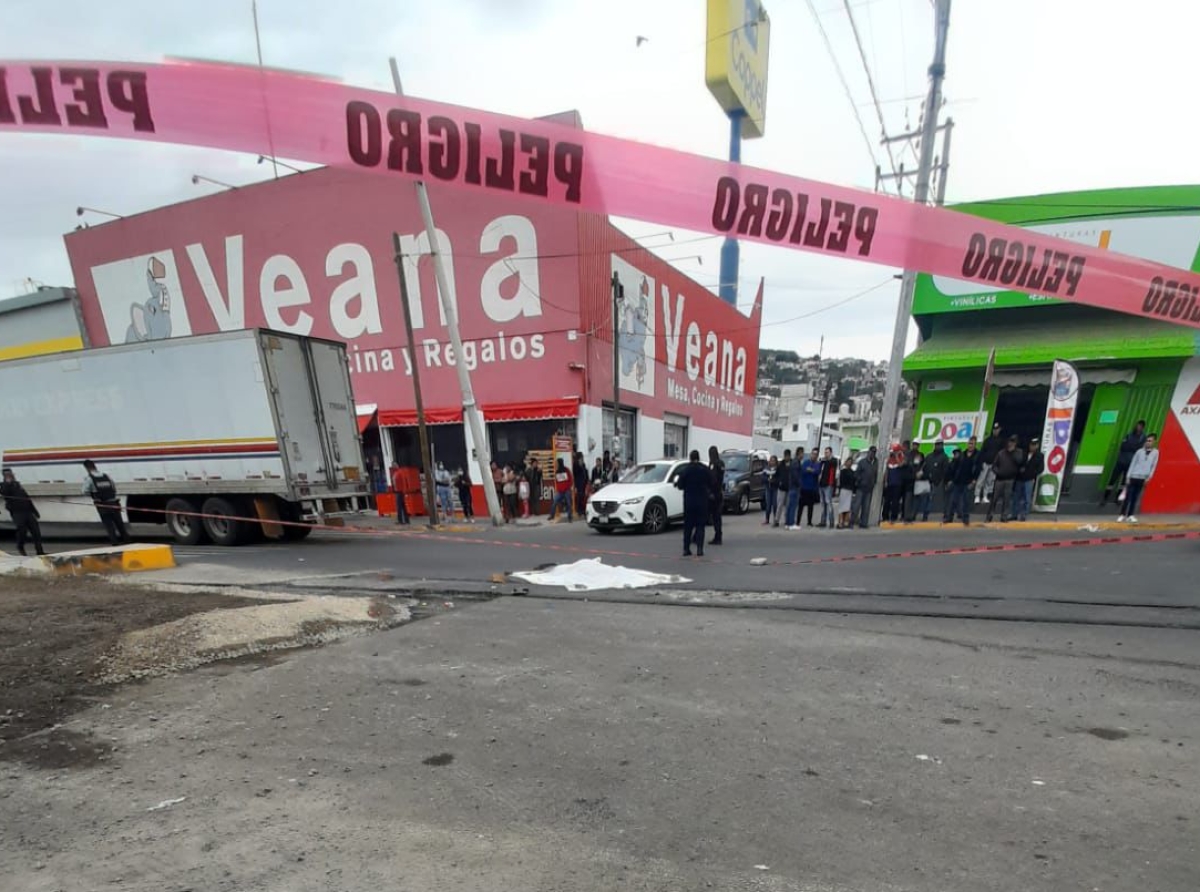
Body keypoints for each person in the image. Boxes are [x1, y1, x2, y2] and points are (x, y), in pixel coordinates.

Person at [82, 459, 130, 545]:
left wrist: (93, 495)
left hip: (102, 505)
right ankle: (127, 540)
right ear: (95, 466)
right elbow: (113, 488)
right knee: (119, 523)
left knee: (109, 525)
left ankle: (115, 542)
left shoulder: (89, 478)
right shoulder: (106, 476)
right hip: (113, 503)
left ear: (86, 468)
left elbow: (84, 491)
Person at [1, 467, 46, 556]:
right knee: (22, 530)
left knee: (36, 532)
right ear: (4, 476)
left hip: (28, 511)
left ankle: (40, 552)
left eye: (10, 474)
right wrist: (8, 483)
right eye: (7, 474)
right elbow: (5, 493)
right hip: (17, 513)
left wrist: (34, 511)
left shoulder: (18, 484)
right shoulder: (3, 485)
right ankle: (20, 546)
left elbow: (26, 498)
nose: (9, 475)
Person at [675, 449, 711, 557]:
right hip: (702, 501)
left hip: (689, 501)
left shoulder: (686, 470)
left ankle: (686, 549)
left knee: (688, 526)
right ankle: (699, 549)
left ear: (690, 458)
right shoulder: (704, 469)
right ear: (698, 457)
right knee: (700, 526)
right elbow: (712, 481)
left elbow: (680, 485)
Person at [1102, 420, 1147, 507]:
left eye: (1140, 426)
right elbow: (1123, 446)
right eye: (1137, 425)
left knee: (1124, 482)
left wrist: (1131, 447)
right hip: (1121, 461)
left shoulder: (1143, 438)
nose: (1138, 427)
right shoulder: (1129, 435)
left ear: (1142, 428)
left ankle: (1118, 499)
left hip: (1131, 464)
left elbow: (1139, 450)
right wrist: (1133, 447)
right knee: (1112, 480)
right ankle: (1105, 498)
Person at [1118, 433, 1159, 523]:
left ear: (1154, 442)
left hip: (1143, 478)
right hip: (1134, 476)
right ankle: (1122, 515)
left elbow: (1153, 466)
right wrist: (1128, 476)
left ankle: (1130, 515)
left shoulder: (1156, 453)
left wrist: (1148, 478)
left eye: (1150, 441)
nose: (1148, 442)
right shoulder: (1139, 451)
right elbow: (1133, 464)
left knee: (1135, 497)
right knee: (1128, 497)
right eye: (1147, 440)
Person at [944, 437, 981, 526]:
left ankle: (965, 519)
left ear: (975, 444)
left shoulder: (977, 455)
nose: (970, 445)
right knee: (953, 501)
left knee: (966, 502)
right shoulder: (962, 454)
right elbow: (955, 467)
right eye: (969, 443)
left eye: (972, 444)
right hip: (958, 481)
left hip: (968, 482)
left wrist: (974, 481)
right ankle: (949, 518)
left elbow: (978, 469)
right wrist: (951, 480)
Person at [987, 436, 1023, 523]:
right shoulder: (1001, 453)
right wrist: (998, 472)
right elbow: (994, 465)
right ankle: (989, 516)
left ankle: (1004, 516)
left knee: (1007, 499)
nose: (1011, 443)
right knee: (994, 499)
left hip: (1010, 479)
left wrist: (1013, 452)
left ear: (1015, 443)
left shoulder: (1018, 452)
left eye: (1013, 442)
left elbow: (1020, 462)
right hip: (999, 479)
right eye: (1010, 442)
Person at [1014, 438, 1042, 521]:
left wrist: (1032, 473)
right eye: (1031, 445)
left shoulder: (1040, 456)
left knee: (1027, 498)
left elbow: (1041, 468)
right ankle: (1014, 514)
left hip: (1029, 479)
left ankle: (1024, 515)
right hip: (1020, 478)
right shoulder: (1024, 453)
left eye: (1034, 445)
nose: (1032, 447)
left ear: (1037, 446)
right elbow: (1019, 462)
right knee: (1016, 497)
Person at [976, 422, 1004, 504]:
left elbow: (1001, 453)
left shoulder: (1001, 441)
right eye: (994, 429)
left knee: (990, 481)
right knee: (981, 479)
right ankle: (977, 495)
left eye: (997, 429)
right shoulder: (988, 440)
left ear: (999, 430)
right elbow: (982, 452)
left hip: (993, 464)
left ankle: (985, 495)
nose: (995, 431)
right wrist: (981, 462)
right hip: (985, 463)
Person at [852, 446, 878, 529]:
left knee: (866, 507)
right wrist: (860, 480)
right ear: (868, 452)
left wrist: (873, 482)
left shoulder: (876, 463)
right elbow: (856, 474)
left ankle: (863, 523)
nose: (872, 454)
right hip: (861, 488)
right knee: (856, 506)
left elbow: (875, 474)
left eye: (874, 452)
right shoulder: (862, 462)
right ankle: (851, 522)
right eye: (871, 452)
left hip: (869, 489)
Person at [924, 440, 950, 517]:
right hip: (927, 481)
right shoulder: (929, 456)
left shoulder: (945, 457)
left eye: (940, 444)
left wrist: (943, 481)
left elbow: (946, 470)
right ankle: (924, 515)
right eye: (937, 444)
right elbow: (925, 467)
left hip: (939, 482)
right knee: (926, 498)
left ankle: (927, 515)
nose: (938, 446)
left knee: (935, 499)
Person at [882, 446, 906, 524]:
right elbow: (886, 472)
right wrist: (885, 482)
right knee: (887, 501)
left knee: (895, 501)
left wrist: (897, 456)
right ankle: (885, 517)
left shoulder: (901, 458)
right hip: (889, 484)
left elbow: (900, 465)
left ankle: (893, 517)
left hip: (897, 484)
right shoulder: (889, 460)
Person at [797, 448, 820, 528]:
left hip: (812, 489)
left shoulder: (817, 464)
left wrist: (810, 470)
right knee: (801, 506)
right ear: (811, 454)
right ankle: (797, 521)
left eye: (816, 454)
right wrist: (810, 470)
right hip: (804, 488)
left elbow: (817, 472)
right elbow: (803, 471)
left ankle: (809, 522)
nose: (814, 455)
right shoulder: (806, 462)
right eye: (813, 454)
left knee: (811, 506)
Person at [707, 446, 725, 545]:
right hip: (719, 492)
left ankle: (697, 536)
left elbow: (713, 479)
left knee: (709, 515)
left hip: (713, 494)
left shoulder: (713, 464)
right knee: (717, 516)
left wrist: (710, 492)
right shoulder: (721, 463)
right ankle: (718, 535)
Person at [818, 446, 839, 529]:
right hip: (822, 485)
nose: (825, 454)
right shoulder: (823, 462)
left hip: (828, 485)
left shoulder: (833, 460)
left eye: (827, 452)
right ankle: (823, 521)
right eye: (825, 452)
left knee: (828, 503)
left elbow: (832, 464)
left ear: (830, 453)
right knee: (823, 504)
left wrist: (825, 459)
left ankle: (831, 521)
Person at [909, 449, 932, 522]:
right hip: (917, 485)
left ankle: (925, 516)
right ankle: (913, 515)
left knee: (925, 501)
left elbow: (928, 475)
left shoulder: (925, 465)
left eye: (918, 457)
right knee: (916, 501)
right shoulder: (914, 466)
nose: (917, 459)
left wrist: (921, 475)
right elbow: (911, 474)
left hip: (924, 485)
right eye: (916, 457)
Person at [772, 449, 791, 527]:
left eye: (787, 456)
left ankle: (787, 520)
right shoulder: (781, 465)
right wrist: (778, 482)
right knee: (779, 505)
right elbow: (776, 475)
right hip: (781, 488)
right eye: (785, 456)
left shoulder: (793, 464)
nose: (786, 457)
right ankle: (776, 520)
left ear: (790, 456)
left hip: (789, 488)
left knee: (787, 505)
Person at [837, 456, 856, 529]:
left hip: (850, 491)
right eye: (848, 461)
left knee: (847, 508)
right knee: (841, 508)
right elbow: (840, 482)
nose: (849, 463)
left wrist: (854, 492)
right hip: (843, 490)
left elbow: (854, 483)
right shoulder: (843, 471)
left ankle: (846, 522)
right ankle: (840, 522)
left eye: (851, 462)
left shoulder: (853, 472)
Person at [762, 455, 778, 525]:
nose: (772, 462)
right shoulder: (766, 469)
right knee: (768, 505)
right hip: (768, 488)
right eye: (771, 460)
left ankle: (775, 519)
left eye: (774, 460)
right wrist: (767, 479)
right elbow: (762, 477)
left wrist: (774, 481)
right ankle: (767, 519)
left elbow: (779, 478)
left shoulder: (777, 469)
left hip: (775, 488)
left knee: (775, 504)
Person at [572, 452, 589, 516]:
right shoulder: (575, 464)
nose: (582, 458)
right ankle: (579, 510)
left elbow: (585, 471)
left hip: (583, 482)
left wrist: (587, 480)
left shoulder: (583, 463)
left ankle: (582, 509)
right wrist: (579, 465)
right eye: (581, 457)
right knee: (579, 496)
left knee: (583, 497)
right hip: (579, 483)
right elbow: (575, 474)